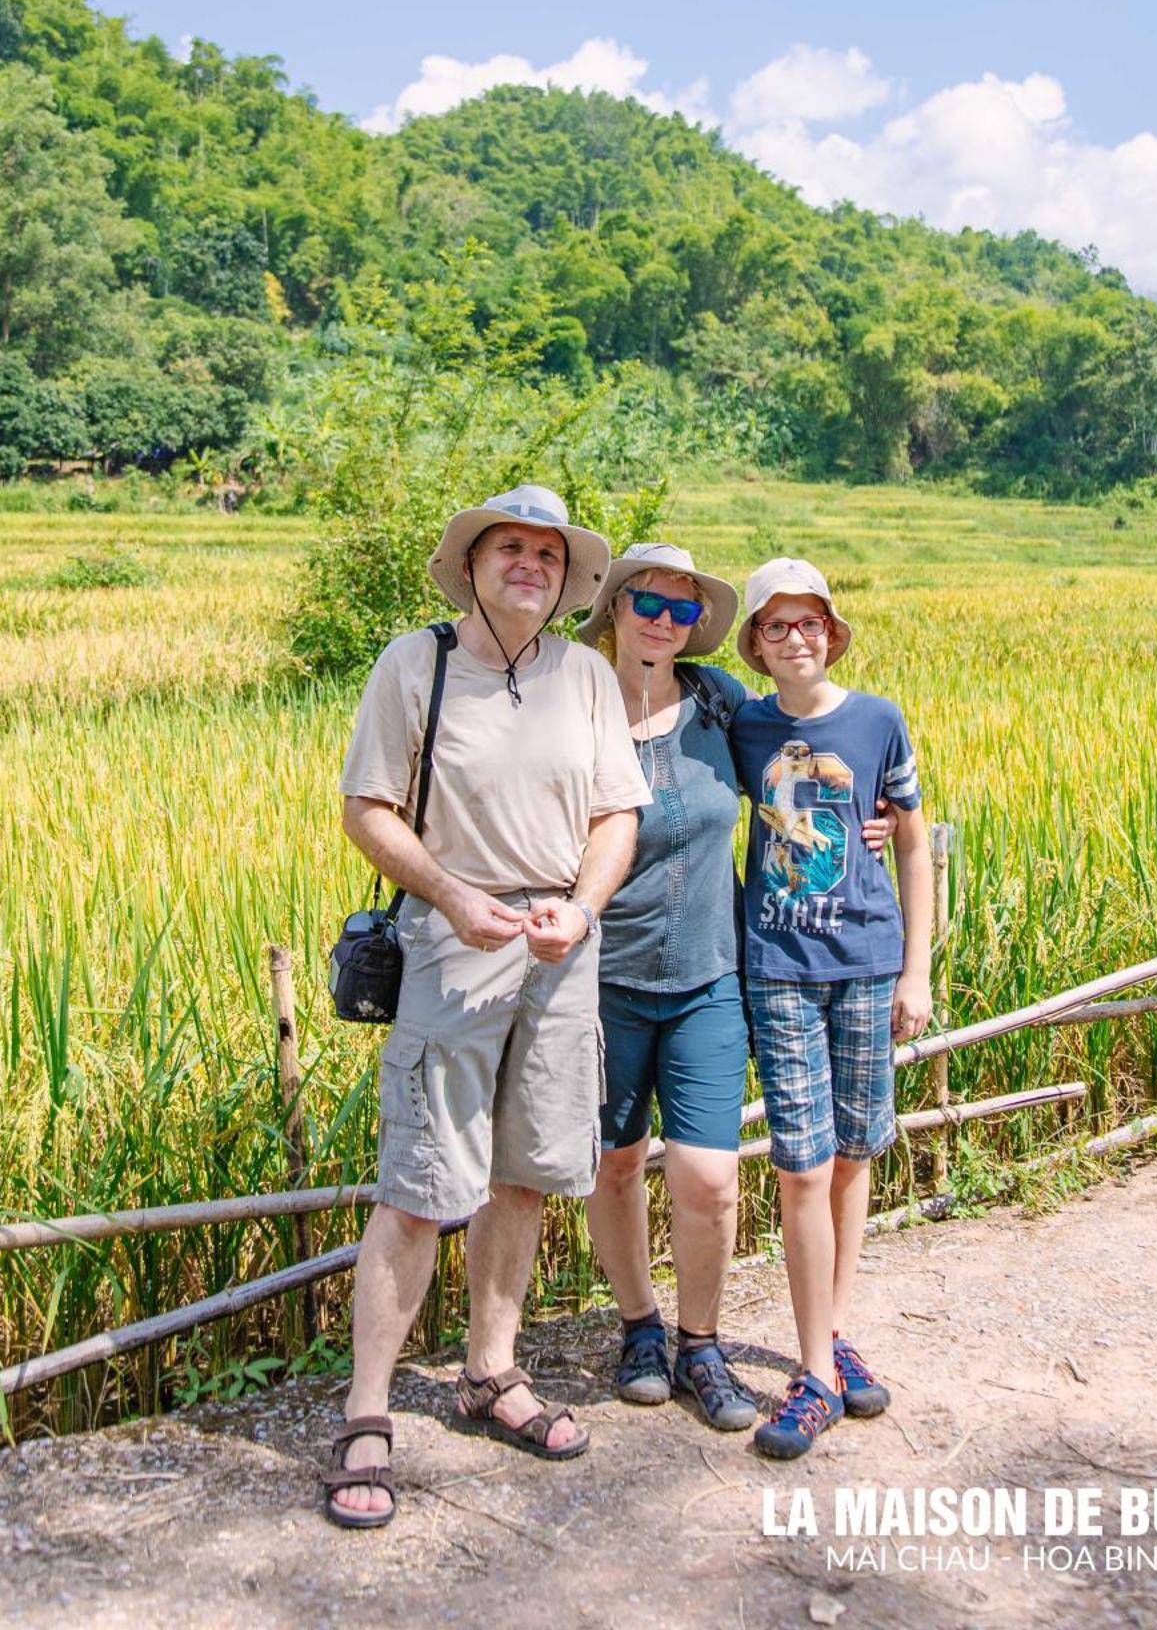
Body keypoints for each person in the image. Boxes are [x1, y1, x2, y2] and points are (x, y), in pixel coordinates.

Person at [322, 485, 651, 1528]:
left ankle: (489, 1372)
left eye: (548, 556)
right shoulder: (413, 663)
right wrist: (453, 897)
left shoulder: (587, 674)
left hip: (561, 949)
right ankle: (368, 1407)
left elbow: (614, 816)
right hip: (448, 943)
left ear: (567, 579)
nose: (530, 565)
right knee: (421, 1180)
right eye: (508, 547)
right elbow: (365, 808)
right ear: (470, 563)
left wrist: (583, 908)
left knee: (524, 1173)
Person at [578, 544, 895, 1433]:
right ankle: (638, 1325)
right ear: (613, 607)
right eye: (648, 602)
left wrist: (865, 820)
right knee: (611, 1161)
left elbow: (815, 761)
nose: (663, 622)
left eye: (683, 611)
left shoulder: (718, 703)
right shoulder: (575, 703)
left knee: (711, 1178)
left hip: (713, 973)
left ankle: (700, 1341)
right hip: (601, 974)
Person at [729, 557, 932, 1461]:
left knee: (852, 1157)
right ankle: (814, 1373)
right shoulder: (742, 724)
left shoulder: (877, 719)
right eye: (776, 627)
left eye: (809, 623)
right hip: (776, 965)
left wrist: (914, 970)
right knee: (801, 1167)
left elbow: (914, 844)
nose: (796, 639)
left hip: (865, 960)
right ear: (756, 647)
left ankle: (834, 1332)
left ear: (832, 632)